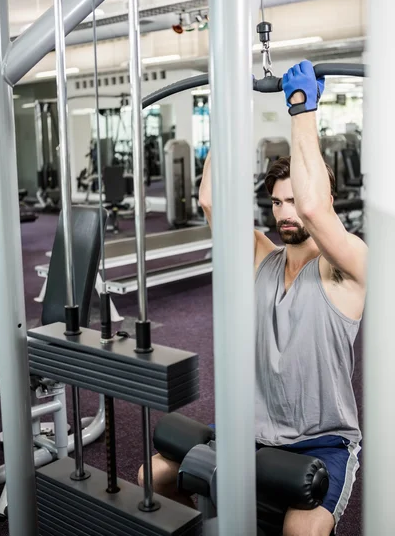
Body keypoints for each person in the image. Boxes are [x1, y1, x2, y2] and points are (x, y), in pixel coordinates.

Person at [138, 60, 367, 536]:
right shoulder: (262, 259)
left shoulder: (347, 267)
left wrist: (302, 109)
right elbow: (211, 202)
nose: (286, 212)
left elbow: (313, 207)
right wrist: (227, 110)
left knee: (300, 532)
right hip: (250, 434)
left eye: (292, 200)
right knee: (151, 478)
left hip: (321, 443)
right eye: (276, 202)